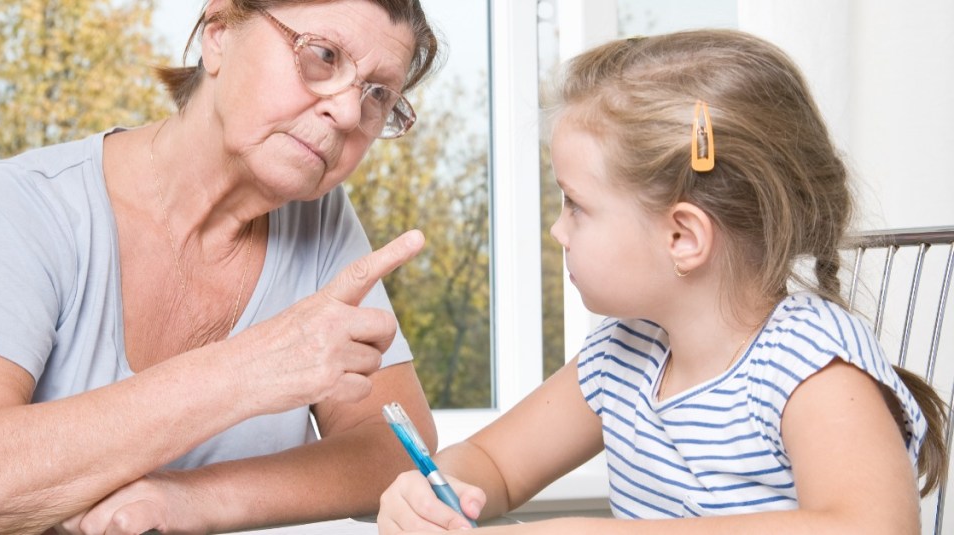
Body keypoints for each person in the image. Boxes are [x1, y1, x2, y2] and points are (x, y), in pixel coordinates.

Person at [377, 29, 949, 534]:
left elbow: (874, 526)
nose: (558, 230)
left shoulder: (809, 363)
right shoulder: (622, 355)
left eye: (575, 205)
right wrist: (435, 490)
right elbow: (492, 463)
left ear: (683, 236)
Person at [0, 0, 443, 533]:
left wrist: (190, 501)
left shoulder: (321, 222)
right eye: (323, 55)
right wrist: (245, 371)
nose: (348, 113)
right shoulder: (24, 205)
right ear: (218, 33)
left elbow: (397, 445)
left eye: (378, 95)